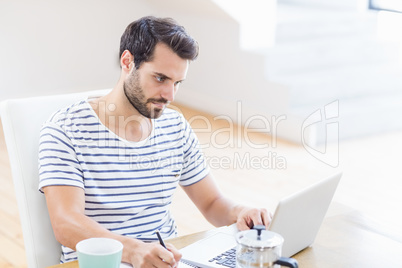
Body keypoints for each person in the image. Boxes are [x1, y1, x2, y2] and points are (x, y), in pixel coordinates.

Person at [38, 16, 271, 267]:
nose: (169, 95)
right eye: (160, 78)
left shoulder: (175, 126)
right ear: (127, 62)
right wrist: (133, 250)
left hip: (167, 261)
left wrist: (240, 212)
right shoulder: (66, 129)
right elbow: (66, 223)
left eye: (177, 83)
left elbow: (212, 203)